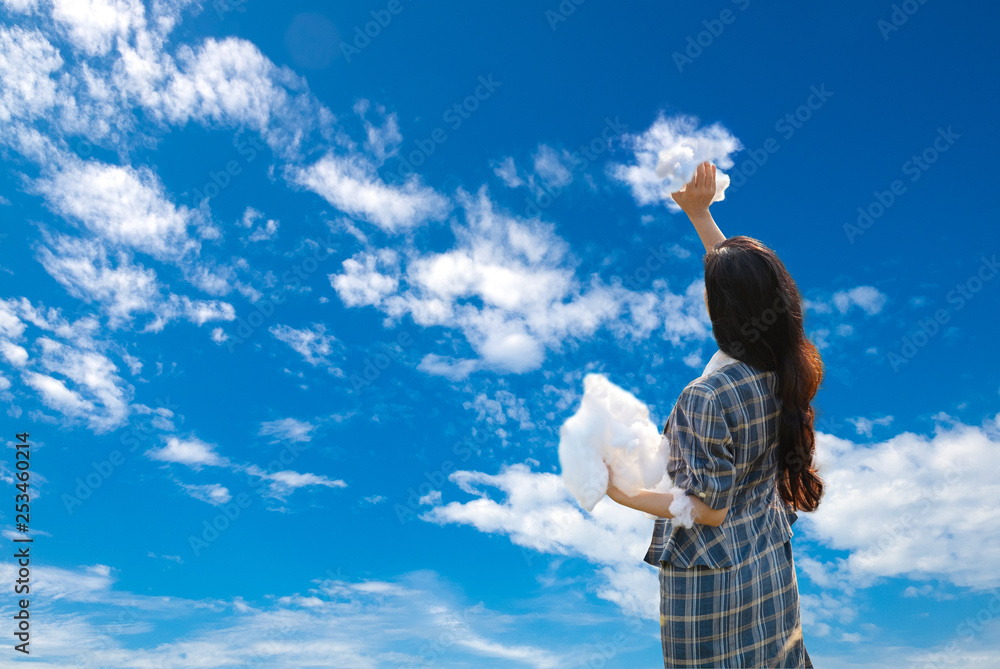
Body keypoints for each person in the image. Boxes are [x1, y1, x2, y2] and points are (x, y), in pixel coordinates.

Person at [604, 161, 822, 667]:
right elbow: (749, 289)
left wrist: (623, 492)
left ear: (720, 310)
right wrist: (700, 215)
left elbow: (709, 509)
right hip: (765, 566)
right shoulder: (788, 363)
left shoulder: (706, 396)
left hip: (714, 591)